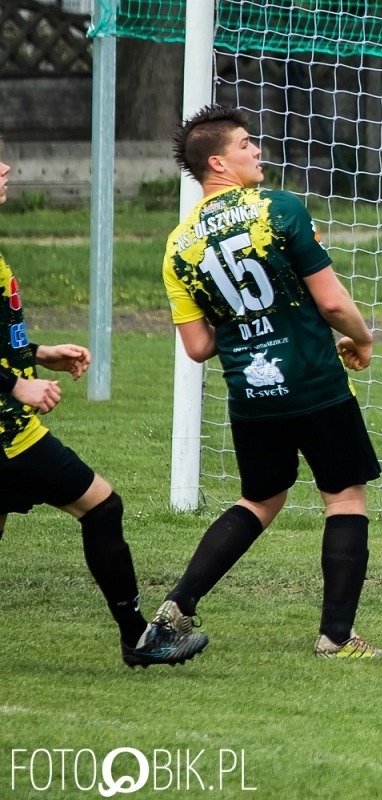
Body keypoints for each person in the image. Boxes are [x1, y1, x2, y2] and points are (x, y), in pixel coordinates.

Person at [148, 104, 382, 660]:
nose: (257, 151)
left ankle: (178, 606)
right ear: (218, 161)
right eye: (246, 144)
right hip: (313, 380)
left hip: (252, 394)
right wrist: (364, 339)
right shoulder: (278, 209)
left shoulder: (178, 246)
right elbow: (330, 300)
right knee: (345, 498)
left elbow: (199, 347)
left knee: (259, 498)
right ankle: (336, 637)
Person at [0, 152, 207, 667]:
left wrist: (38, 353)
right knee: (102, 505)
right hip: (8, 433)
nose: (5, 166)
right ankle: (139, 639)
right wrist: (16, 386)